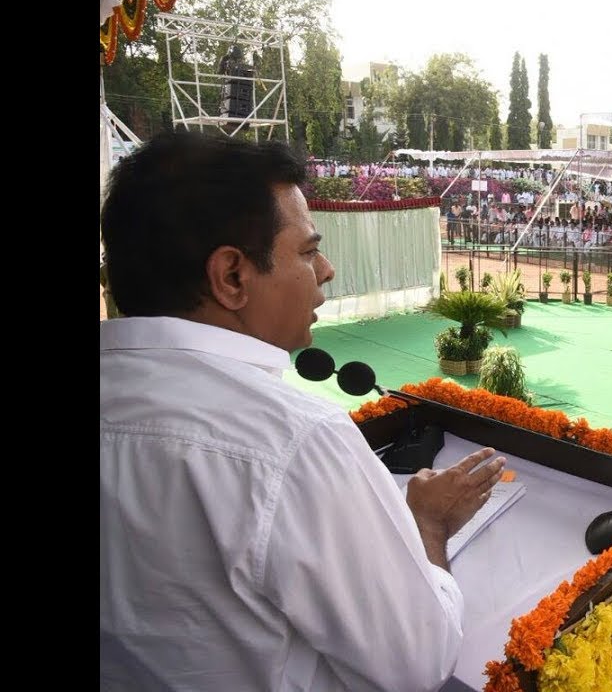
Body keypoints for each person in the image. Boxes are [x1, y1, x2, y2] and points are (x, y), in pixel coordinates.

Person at [100, 132, 506, 691]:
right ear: (232, 277)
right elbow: (419, 662)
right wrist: (428, 526)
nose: (327, 270)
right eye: (309, 251)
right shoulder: (294, 440)